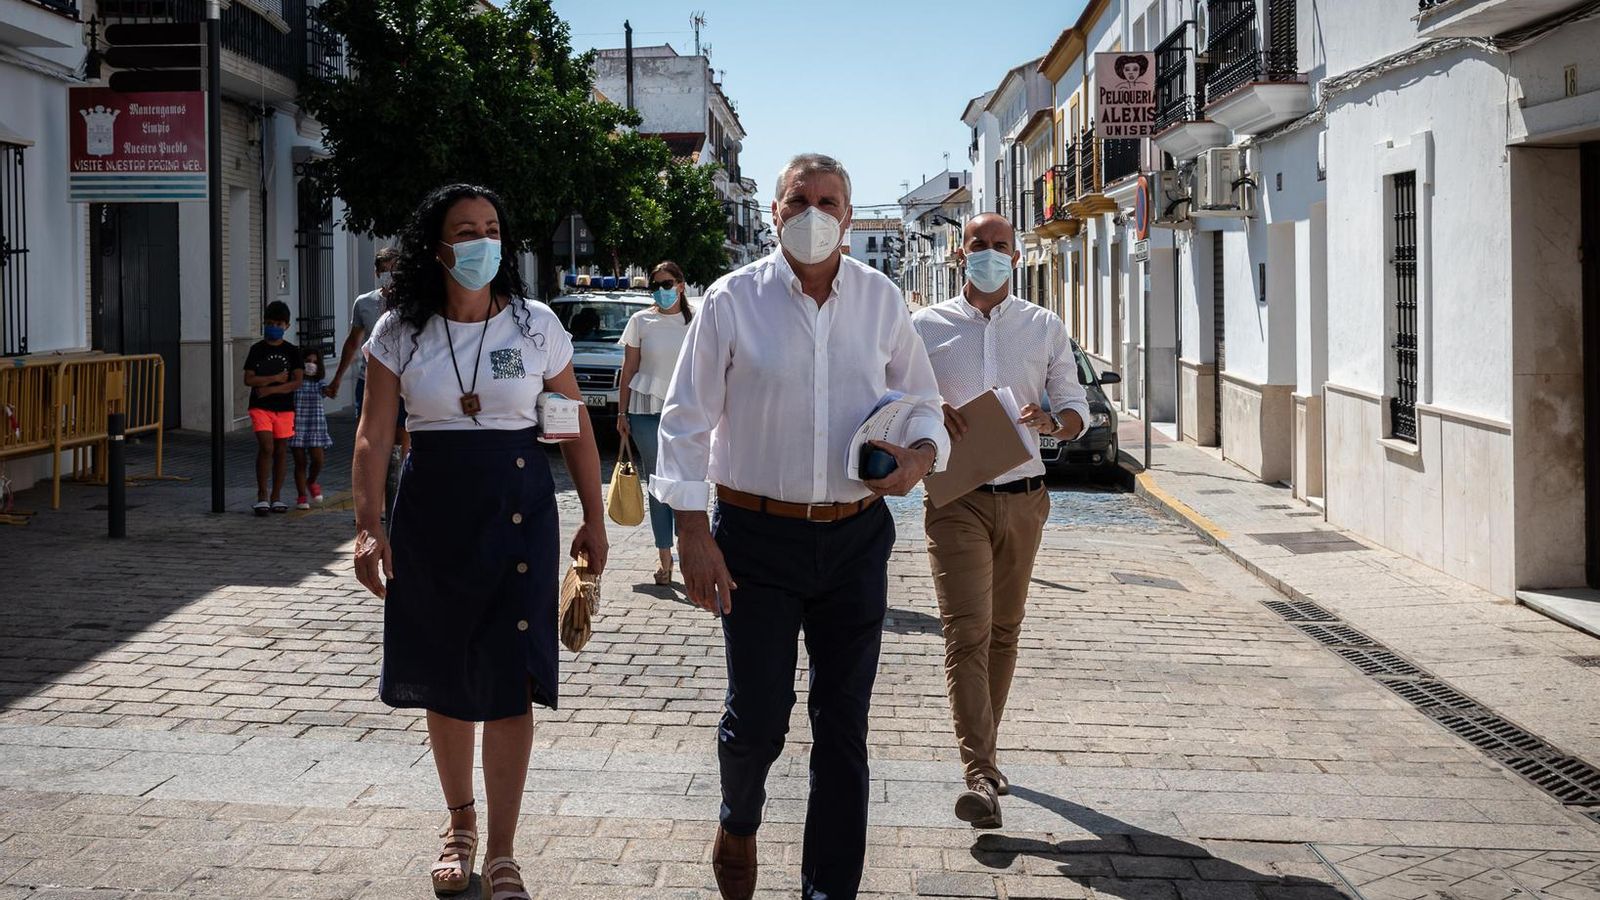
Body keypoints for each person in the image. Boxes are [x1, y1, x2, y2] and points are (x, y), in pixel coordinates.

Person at [652, 153, 950, 900]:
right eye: (799, 200)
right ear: (775, 213)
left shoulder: (882, 300)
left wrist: (917, 458)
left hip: (856, 537)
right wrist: (692, 530)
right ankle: (739, 817)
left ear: (850, 216)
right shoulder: (730, 301)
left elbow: (921, 402)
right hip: (753, 537)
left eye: (830, 200)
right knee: (758, 719)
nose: (814, 213)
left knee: (843, 727)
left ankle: (828, 891)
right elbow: (685, 422)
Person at [350, 184, 609, 900]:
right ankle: (458, 825)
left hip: (521, 510)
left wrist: (594, 514)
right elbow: (374, 435)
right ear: (437, 246)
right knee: (444, 670)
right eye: (466, 230)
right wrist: (368, 526)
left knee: (511, 679)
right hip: (431, 514)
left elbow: (574, 422)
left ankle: (502, 850)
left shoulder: (535, 326)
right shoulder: (399, 332)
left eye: (492, 227)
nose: (482, 241)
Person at [910, 213, 1089, 829]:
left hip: (1025, 497)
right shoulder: (925, 327)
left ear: (1016, 254)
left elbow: (1075, 406)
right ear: (961, 255)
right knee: (967, 633)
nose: (990, 254)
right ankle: (980, 774)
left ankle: (987, 751)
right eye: (978, 246)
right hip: (955, 499)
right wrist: (930, 408)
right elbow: (892, 396)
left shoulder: (1043, 326)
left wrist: (1053, 422)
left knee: (1005, 632)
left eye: (1000, 246)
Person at [616, 260, 694, 585]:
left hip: (684, 412)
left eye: (667, 284)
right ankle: (665, 559)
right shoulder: (640, 321)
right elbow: (629, 369)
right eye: (656, 285)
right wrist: (621, 414)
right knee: (658, 480)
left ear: (680, 285)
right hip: (644, 410)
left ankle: (687, 550)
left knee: (684, 482)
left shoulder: (695, 323)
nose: (661, 291)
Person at [242, 300, 304, 516]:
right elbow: (248, 379)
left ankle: (276, 497)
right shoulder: (257, 350)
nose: (274, 327)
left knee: (280, 450)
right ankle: (262, 495)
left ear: (286, 325)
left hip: (285, 409)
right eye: (269, 323)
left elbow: (297, 381)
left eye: (278, 323)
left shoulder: (292, 351)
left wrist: (270, 389)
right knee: (266, 446)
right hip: (260, 407)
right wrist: (273, 379)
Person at [290, 348, 333, 510]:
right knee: (300, 462)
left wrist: (330, 389)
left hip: (316, 426)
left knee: (318, 460)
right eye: (308, 361)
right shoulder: (295, 382)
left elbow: (327, 390)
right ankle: (301, 496)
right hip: (296, 425)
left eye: (315, 362)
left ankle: (312, 481)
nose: (311, 365)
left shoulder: (319, 383)